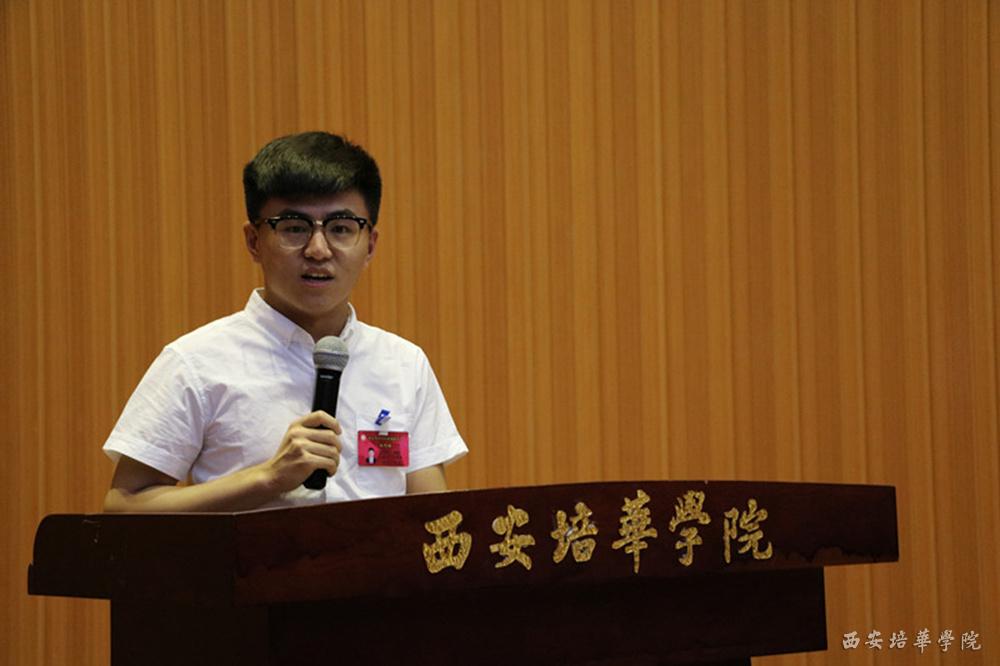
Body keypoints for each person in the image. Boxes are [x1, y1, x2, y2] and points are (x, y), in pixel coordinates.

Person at [102, 131, 467, 512]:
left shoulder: (404, 364)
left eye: (341, 228)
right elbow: (124, 507)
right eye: (294, 227)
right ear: (254, 241)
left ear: (370, 245)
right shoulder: (195, 362)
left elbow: (434, 516)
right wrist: (268, 478)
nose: (318, 250)